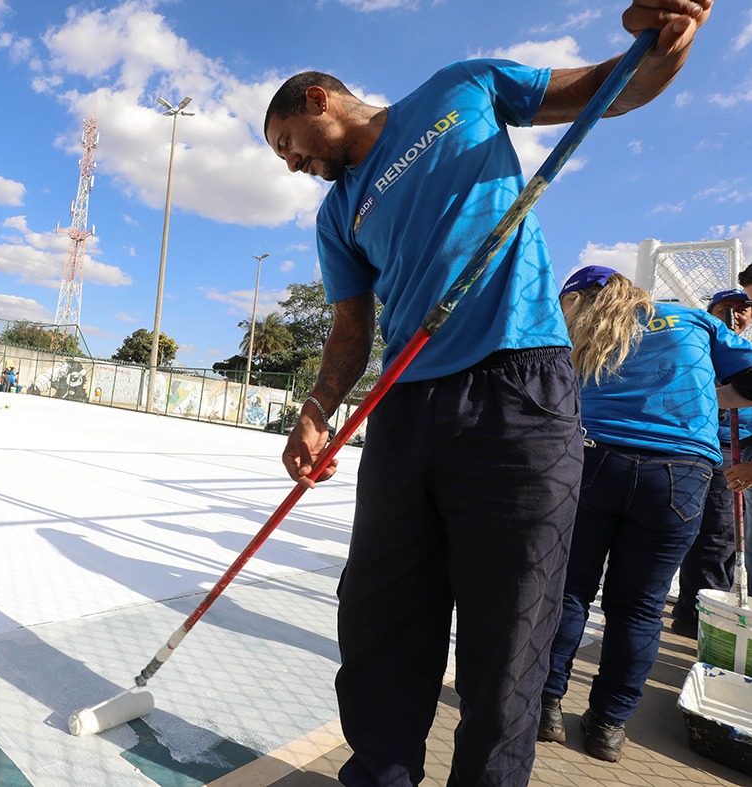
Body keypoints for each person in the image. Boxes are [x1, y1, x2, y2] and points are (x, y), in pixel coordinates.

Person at [263, 4, 710, 784]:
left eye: (287, 148)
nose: (292, 166)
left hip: (519, 393)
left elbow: (613, 88)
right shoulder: (338, 213)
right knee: (378, 616)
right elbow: (347, 332)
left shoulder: (459, 88)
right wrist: (312, 412)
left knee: (509, 635)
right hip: (403, 410)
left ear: (315, 101)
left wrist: (667, 40)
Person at [540, 267, 752, 763]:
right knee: (639, 606)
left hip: (594, 458)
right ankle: (609, 726)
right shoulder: (691, 321)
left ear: (576, 297)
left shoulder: (581, 329)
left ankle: (546, 705)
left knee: (569, 590)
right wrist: (710, 396)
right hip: (681, 470)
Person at [671, 289, 752, 638]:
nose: (735, 315)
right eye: (726, 308)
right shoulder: (701, 348)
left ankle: (706, 614)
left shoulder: (746, 353)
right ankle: (691, 612)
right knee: (701, 530)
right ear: (711, 313)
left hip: (743, 447)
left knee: (728, 535)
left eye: (742, 308)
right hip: (707, 445)